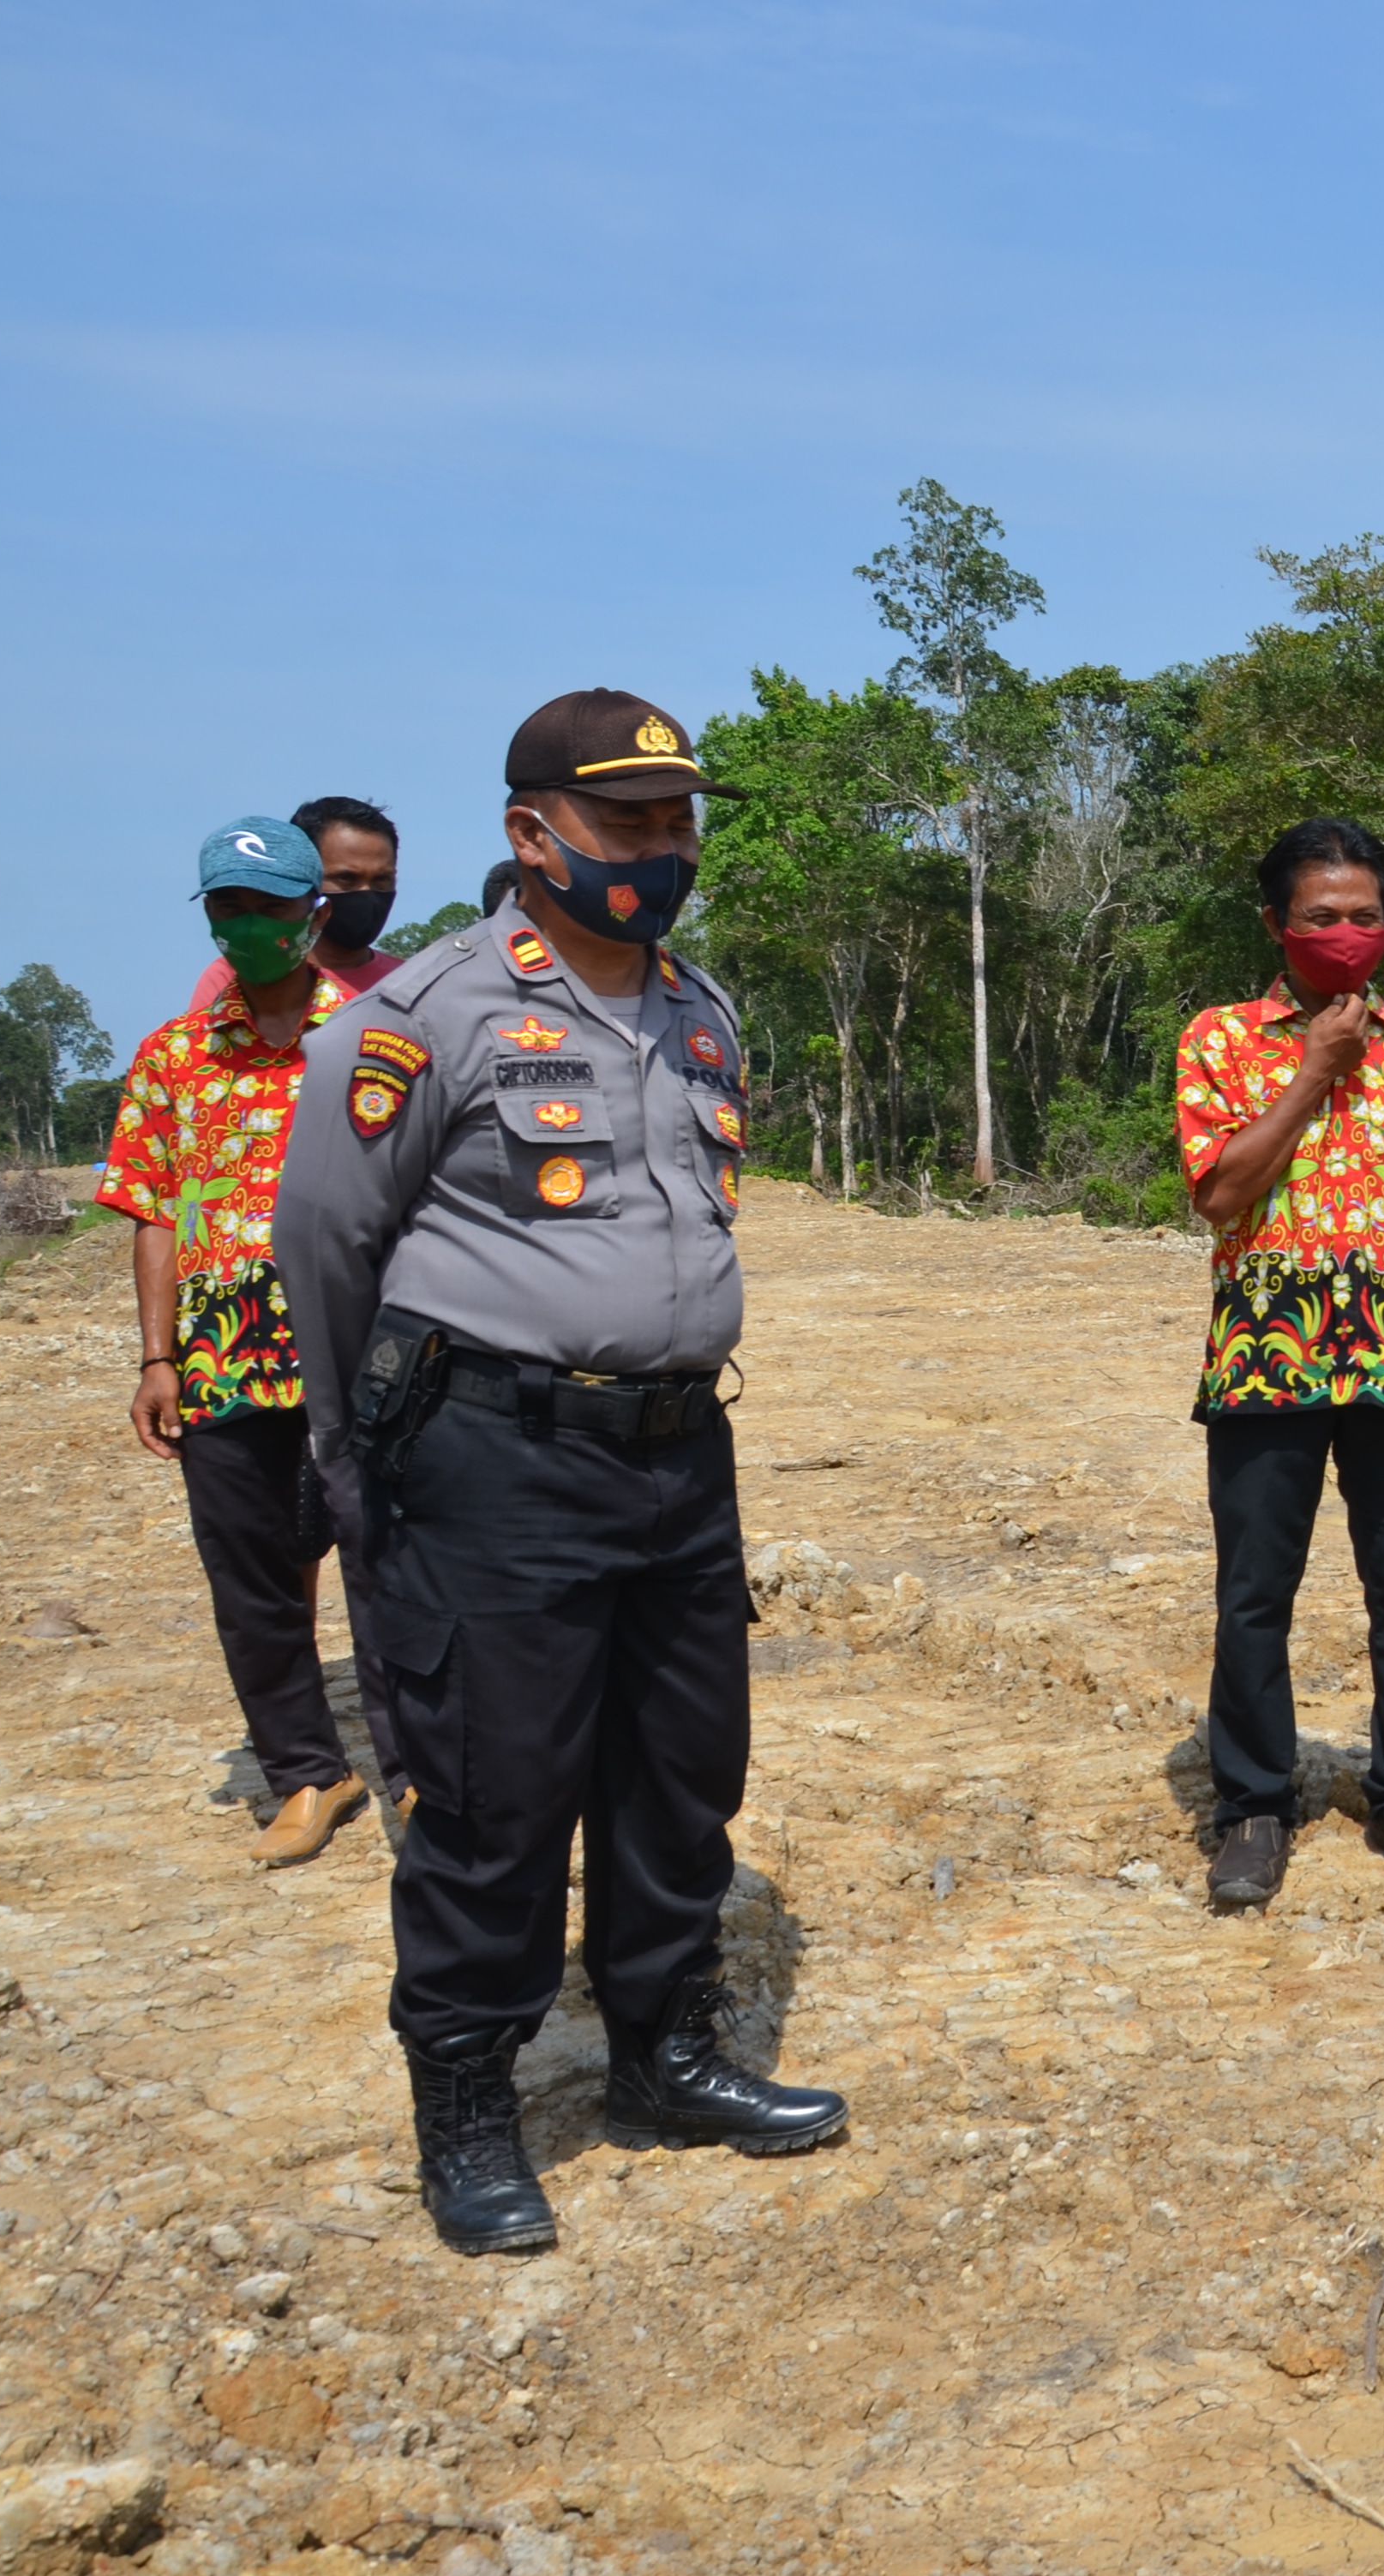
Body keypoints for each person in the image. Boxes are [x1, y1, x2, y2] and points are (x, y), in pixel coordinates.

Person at [280, 689, 848, 2261]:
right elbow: (328, 1242)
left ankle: (664, 2055)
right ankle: (467, 2104)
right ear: (532, 833)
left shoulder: (700, 1008)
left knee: (678, 1776)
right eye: (627, 821)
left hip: (676, 1453)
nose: (662, 849)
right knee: (492, 1791)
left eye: (678, 820)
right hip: (490, 1456)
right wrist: (358, 1455)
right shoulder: (425, 1015)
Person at [1180, 818, 1384, 1910]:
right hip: (1268, 1353)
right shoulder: (1220, 1040)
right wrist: (1313, 1068)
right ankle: (1254, 1807)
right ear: (1277, 924)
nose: (1345, 934)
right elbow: (1218, 1194)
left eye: (1364, 917)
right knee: (1255, 1593)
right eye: (1322, 917)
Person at [103, 818, 401, 1865]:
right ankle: (307, 1775)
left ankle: (413, 1767)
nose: (249, 926)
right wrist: (157, 1357)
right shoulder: (172, 1057)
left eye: (269, 906)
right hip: (224, 1352)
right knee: (252, 1575)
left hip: (358, 1338)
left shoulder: (373, 1033)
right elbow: (152, 1208)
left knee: (386, 1558)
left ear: (309, 910)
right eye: (229, 907)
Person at [184, 795, 404, 1015]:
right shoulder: (231, 976)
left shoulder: (408, 984)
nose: (366, 894)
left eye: (381, 880)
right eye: (346, 879)